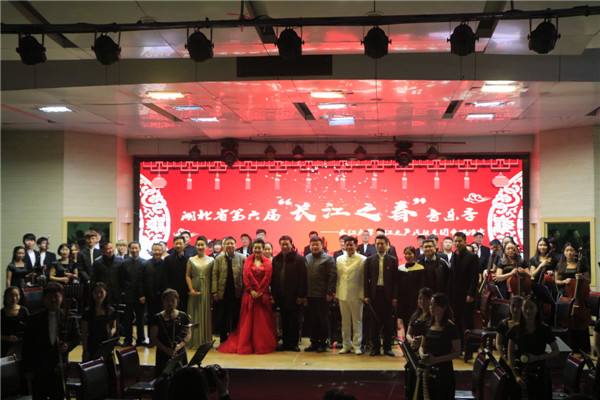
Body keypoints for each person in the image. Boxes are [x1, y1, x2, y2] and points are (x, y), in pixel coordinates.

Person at [23, 282, 81, 400]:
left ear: (62, 298)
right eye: (49, 297)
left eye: (56, 297)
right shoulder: (33, 319)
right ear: (44, 299)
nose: (53, 300)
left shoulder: (69, 316)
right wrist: (27, 369)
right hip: (39, 368)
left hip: (59, 367)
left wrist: (67, 346)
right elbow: (27, 345)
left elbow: (76, 338)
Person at [219, 238, 277, 354]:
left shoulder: (268, 263)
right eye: (255, 247)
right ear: (252, 249)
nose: (257, 250)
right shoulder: (247, 261)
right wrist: (252, 291)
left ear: (263, 249)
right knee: (247, 323)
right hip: (250, 296)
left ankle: (261, 343)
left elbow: (268, 278)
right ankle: (247, 343)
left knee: (262, 323)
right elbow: (245, 278)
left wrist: (261, 291)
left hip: (262, 297)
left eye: (259, 248)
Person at [507, 296, 559, 400]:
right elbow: (511, 353)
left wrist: (537, 358)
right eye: (525, 307)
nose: (528, 311)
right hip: (519, 369)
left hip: (539, 371)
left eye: (531, 307)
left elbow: (556, 351)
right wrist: (516, 375)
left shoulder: (544, 329)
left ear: (537, 309)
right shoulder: (516, 329)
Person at [419, 293, 461, 400]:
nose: (431, 307)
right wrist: (422, 355)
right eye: (430, 304)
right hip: (428, 370)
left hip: (444, 372)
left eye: (435, 305)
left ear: (444, 307)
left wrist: (436, 360)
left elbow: (457, 352)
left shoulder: (450, 327)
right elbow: (422, 346)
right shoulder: (427, 325)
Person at [363, 235, 399, 357]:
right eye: (377, 243)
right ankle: (376, 348)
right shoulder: (369, 260)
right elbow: (366, 279)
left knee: (388, 323)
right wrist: (366, 295)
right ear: (375, 245)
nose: (380, 246)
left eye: (382, 243)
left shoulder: (393, 260)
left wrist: (394, 297)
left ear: (387, 245)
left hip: (387, 295)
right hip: (374, 295)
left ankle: (387, 348)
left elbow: (395, 281)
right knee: (374, 323)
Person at [271, 235, 307, 352]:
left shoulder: (300, 259)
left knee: (294, 320)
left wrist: (301, 296)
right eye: (283, 244)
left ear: (291, 244)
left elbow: (303, 279)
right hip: (281, 295)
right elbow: (273, 279)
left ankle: (294, 343)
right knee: (284, 320)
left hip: (294, 296)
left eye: (287, 244)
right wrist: (274, 295)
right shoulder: (276, 259)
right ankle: (286, 343)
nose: (285, 246)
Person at [555, 242, 591, 353]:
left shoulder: (581, 265)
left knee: (581, 320)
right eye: (567, 250)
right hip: (566, 297)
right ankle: (567, 346)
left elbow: (588, 280)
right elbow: (556, 280)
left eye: (571, 250)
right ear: (564, 252)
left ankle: (582, 347)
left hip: (579, 298)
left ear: (575, 252)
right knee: (566, 320)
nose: (569, 253)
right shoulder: (560, 265)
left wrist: (582, 277)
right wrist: (564, 281)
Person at [304, 236, 337, 353]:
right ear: (310, 246)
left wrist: (330, 293)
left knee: (323, 321)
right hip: (310, 295)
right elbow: (304, 277)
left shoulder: (328, 258)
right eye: (312, 244)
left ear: (322, 245)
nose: (315, 247)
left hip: (323, 296)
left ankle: (323, 343)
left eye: (317, 244)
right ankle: (314, 342)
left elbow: (333, 276)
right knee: (312, 321)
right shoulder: (307, 258)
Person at [150, 289, 191, 378]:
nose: (170, 303)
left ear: (177, 301)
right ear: (163, 302)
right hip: (163, 353)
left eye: (172, 300)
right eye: (167, 301)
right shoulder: (157, 318)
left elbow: (188, 334)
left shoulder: (183, 316)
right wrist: (166, 350)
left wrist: (179, 346)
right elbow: (153, 337)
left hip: (179, 351)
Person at [336, 236, 366, 355]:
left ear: (355, 245)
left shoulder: (362, 259)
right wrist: (337, 293)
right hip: (343, 294)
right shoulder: (339, 259)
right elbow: (338, 278)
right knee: (345, 322)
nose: (349, 247)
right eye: (347, 244)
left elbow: (364, 279)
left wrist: (363, 294)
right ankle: (346, 345)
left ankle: (357, 345)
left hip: (357, 294)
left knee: (357, 322)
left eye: (351, 245)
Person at [448, 232, 479, 348]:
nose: (457, 243)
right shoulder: (454, 255)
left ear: (465, 242)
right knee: (456, 320)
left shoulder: (472, 256)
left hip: (467, 294)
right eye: (455, 241)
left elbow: (474, 277)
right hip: (455, 294)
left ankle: (472, 346)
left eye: (459, 241)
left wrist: (471, 294)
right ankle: (460, 346)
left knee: (467, 320)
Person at [212, 237, 245, 346]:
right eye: (227, 243)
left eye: (232, 243)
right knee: (222, 318)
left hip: (237, 293)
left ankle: (235, 340)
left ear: (235, 245)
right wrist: (214, 291)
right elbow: (215, 275)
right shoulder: (218, 259)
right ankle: (223, 340)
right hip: (223, 292)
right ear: (224, 246)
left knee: (236, 317)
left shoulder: (242, 258)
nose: (230, 245)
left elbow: (245, 276)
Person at [405, 287, 433, 400]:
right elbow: (408, 334)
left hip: (425, 350)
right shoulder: (415, 315)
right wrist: (412, 341)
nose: (422, 301)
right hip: (414, 351)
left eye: (425, 299)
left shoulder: (432, 317)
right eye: (420, 299)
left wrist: (422, 339)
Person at [186, 236, 214, 348]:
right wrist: (191, 289)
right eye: (198, 245)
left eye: (202, 245)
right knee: (194, 313)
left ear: (206, 246)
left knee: (206, 314)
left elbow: (214, 276)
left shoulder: (212, 260)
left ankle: (205, 341)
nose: (200, 247)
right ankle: (193, 340)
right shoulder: (191, 260)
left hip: (206, 288)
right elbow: (188, 275)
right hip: (194, 288)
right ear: (195, 246)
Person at [81, 282, 116, 361]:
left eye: (101, 292)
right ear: (92, 294)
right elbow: (84, 333)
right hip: (92, 345)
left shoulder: (111, 310)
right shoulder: (87, 312)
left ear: (106, 293)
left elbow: (114, 327)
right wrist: (85, 350)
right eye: (96, 292)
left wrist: (112, 332)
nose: (98, 295)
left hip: (106, 345)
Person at [141, 243, 166, 347]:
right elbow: (141, 280)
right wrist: (142, 295)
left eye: (159, 250)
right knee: (151, 319)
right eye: (155, 250)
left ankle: (162, 340)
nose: (157, 252)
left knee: (162, 319)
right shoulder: (145, 264)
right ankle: (151, 340)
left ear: (162, 251)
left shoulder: (165, 264)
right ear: (151, 252)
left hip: (163, 297)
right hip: (149, 296)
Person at [120, 241, 146, 347]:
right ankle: (128, 340)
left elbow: (145, 280)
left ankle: (141, 340)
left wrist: (143, 294)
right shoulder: (124, 263)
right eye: (132, 248)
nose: (134, 250)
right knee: (127, 319)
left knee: (140, 319)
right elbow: (121, 279)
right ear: (129, 249)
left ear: (140, 249)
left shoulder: (144, 262)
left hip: (140, 296)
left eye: (136, 248)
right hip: (128, 295)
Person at [399, 246, 426, 330]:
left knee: (416, 318)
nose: (408, 256)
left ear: (414, 255)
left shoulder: (420, 268)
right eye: (406, 254)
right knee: (405, 318)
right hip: (404, 299)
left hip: (415, 298)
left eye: (410, 254)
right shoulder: (400, 268)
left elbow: (422, 284)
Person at [90, 241, 123, 307]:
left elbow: (123, 276)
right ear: (102, 250)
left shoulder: (120, 260)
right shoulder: (97, 262)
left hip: (117, 291)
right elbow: (93, 278)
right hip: (102, 292)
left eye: (111, 248)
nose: (110, 250)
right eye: (108, 249)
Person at [1, 286, 29, 357]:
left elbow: (30, 328)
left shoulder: (23, 310)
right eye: (11, 296)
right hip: (4, 347)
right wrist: (6, 338)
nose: (14, 298)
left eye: (16, 295)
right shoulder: (1, 313)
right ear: (5, 297)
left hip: (21, 345)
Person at [165, 235, 190, 313]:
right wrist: (167, 288)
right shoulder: (168, 259)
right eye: (176, 243)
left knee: (185, 311)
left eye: (180, 243)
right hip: (172, 290)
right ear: (173, 244)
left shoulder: (189, 258)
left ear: (184, 244)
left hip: (185, 291)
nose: (178, 246)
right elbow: (165, 276)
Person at [496, 295, 523, 361]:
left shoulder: (526, 325)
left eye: (518, 307)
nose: (515, 309)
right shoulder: (503, 324)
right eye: (513, 306)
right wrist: (505, 358)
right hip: (506, 357)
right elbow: (498, 344)